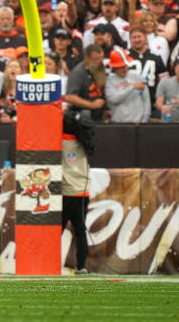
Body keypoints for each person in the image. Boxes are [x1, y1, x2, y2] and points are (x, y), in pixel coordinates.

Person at [61, 118, 90, 274]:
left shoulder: (58, 141)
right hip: (82, 193)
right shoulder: (84, 142)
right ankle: (82, 265)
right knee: (80, 231)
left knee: (56, 230)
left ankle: (49, 262)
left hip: (66, 193)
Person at [105, 49, 150, 123]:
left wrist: (145, 119)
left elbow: (146, 100)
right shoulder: (109, 80)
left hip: (138, 122)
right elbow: (113, 99)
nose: (124, 69)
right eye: (120, 67)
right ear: (114, 67)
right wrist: (132, 87)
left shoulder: (137, 77)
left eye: (125, 66)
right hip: (118, 123)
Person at [64, 44, 106, 121]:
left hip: (100, 115)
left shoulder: (101, 67)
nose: (100, 61)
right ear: (87, 59)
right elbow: (70, 97)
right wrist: (91, 105)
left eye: (102, 58)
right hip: (84, 117)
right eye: (96, 59)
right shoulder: (78, 73)